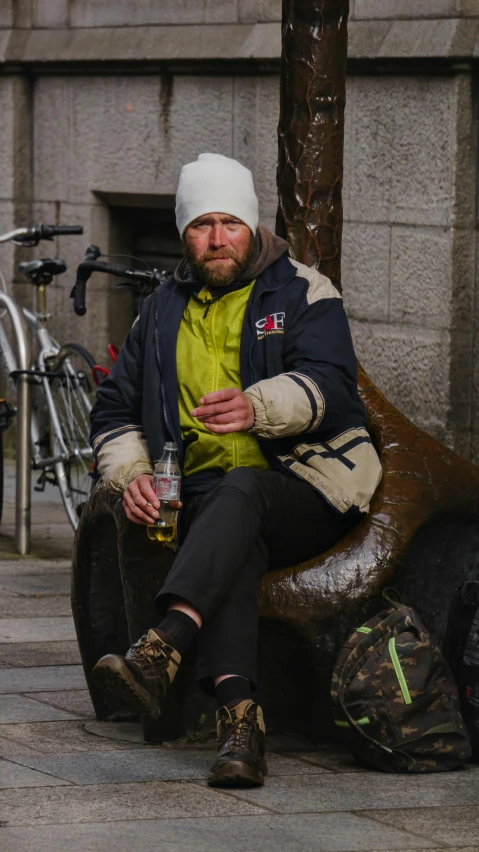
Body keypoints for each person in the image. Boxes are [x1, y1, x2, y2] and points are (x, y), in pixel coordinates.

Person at [90, 153, 382, 788]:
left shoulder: (303, 290)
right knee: (229, 529)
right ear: (183, 233)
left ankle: (162, 644)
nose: (217, 238)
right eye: (201, 224)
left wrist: (257, 406)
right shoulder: (160, 311)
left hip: (306, 484)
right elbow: (112, 410)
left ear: (252, 227)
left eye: (230, 222)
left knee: (242, 490)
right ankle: (241, 729)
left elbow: (334, 388)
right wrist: (130, 475)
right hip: (201, 500)